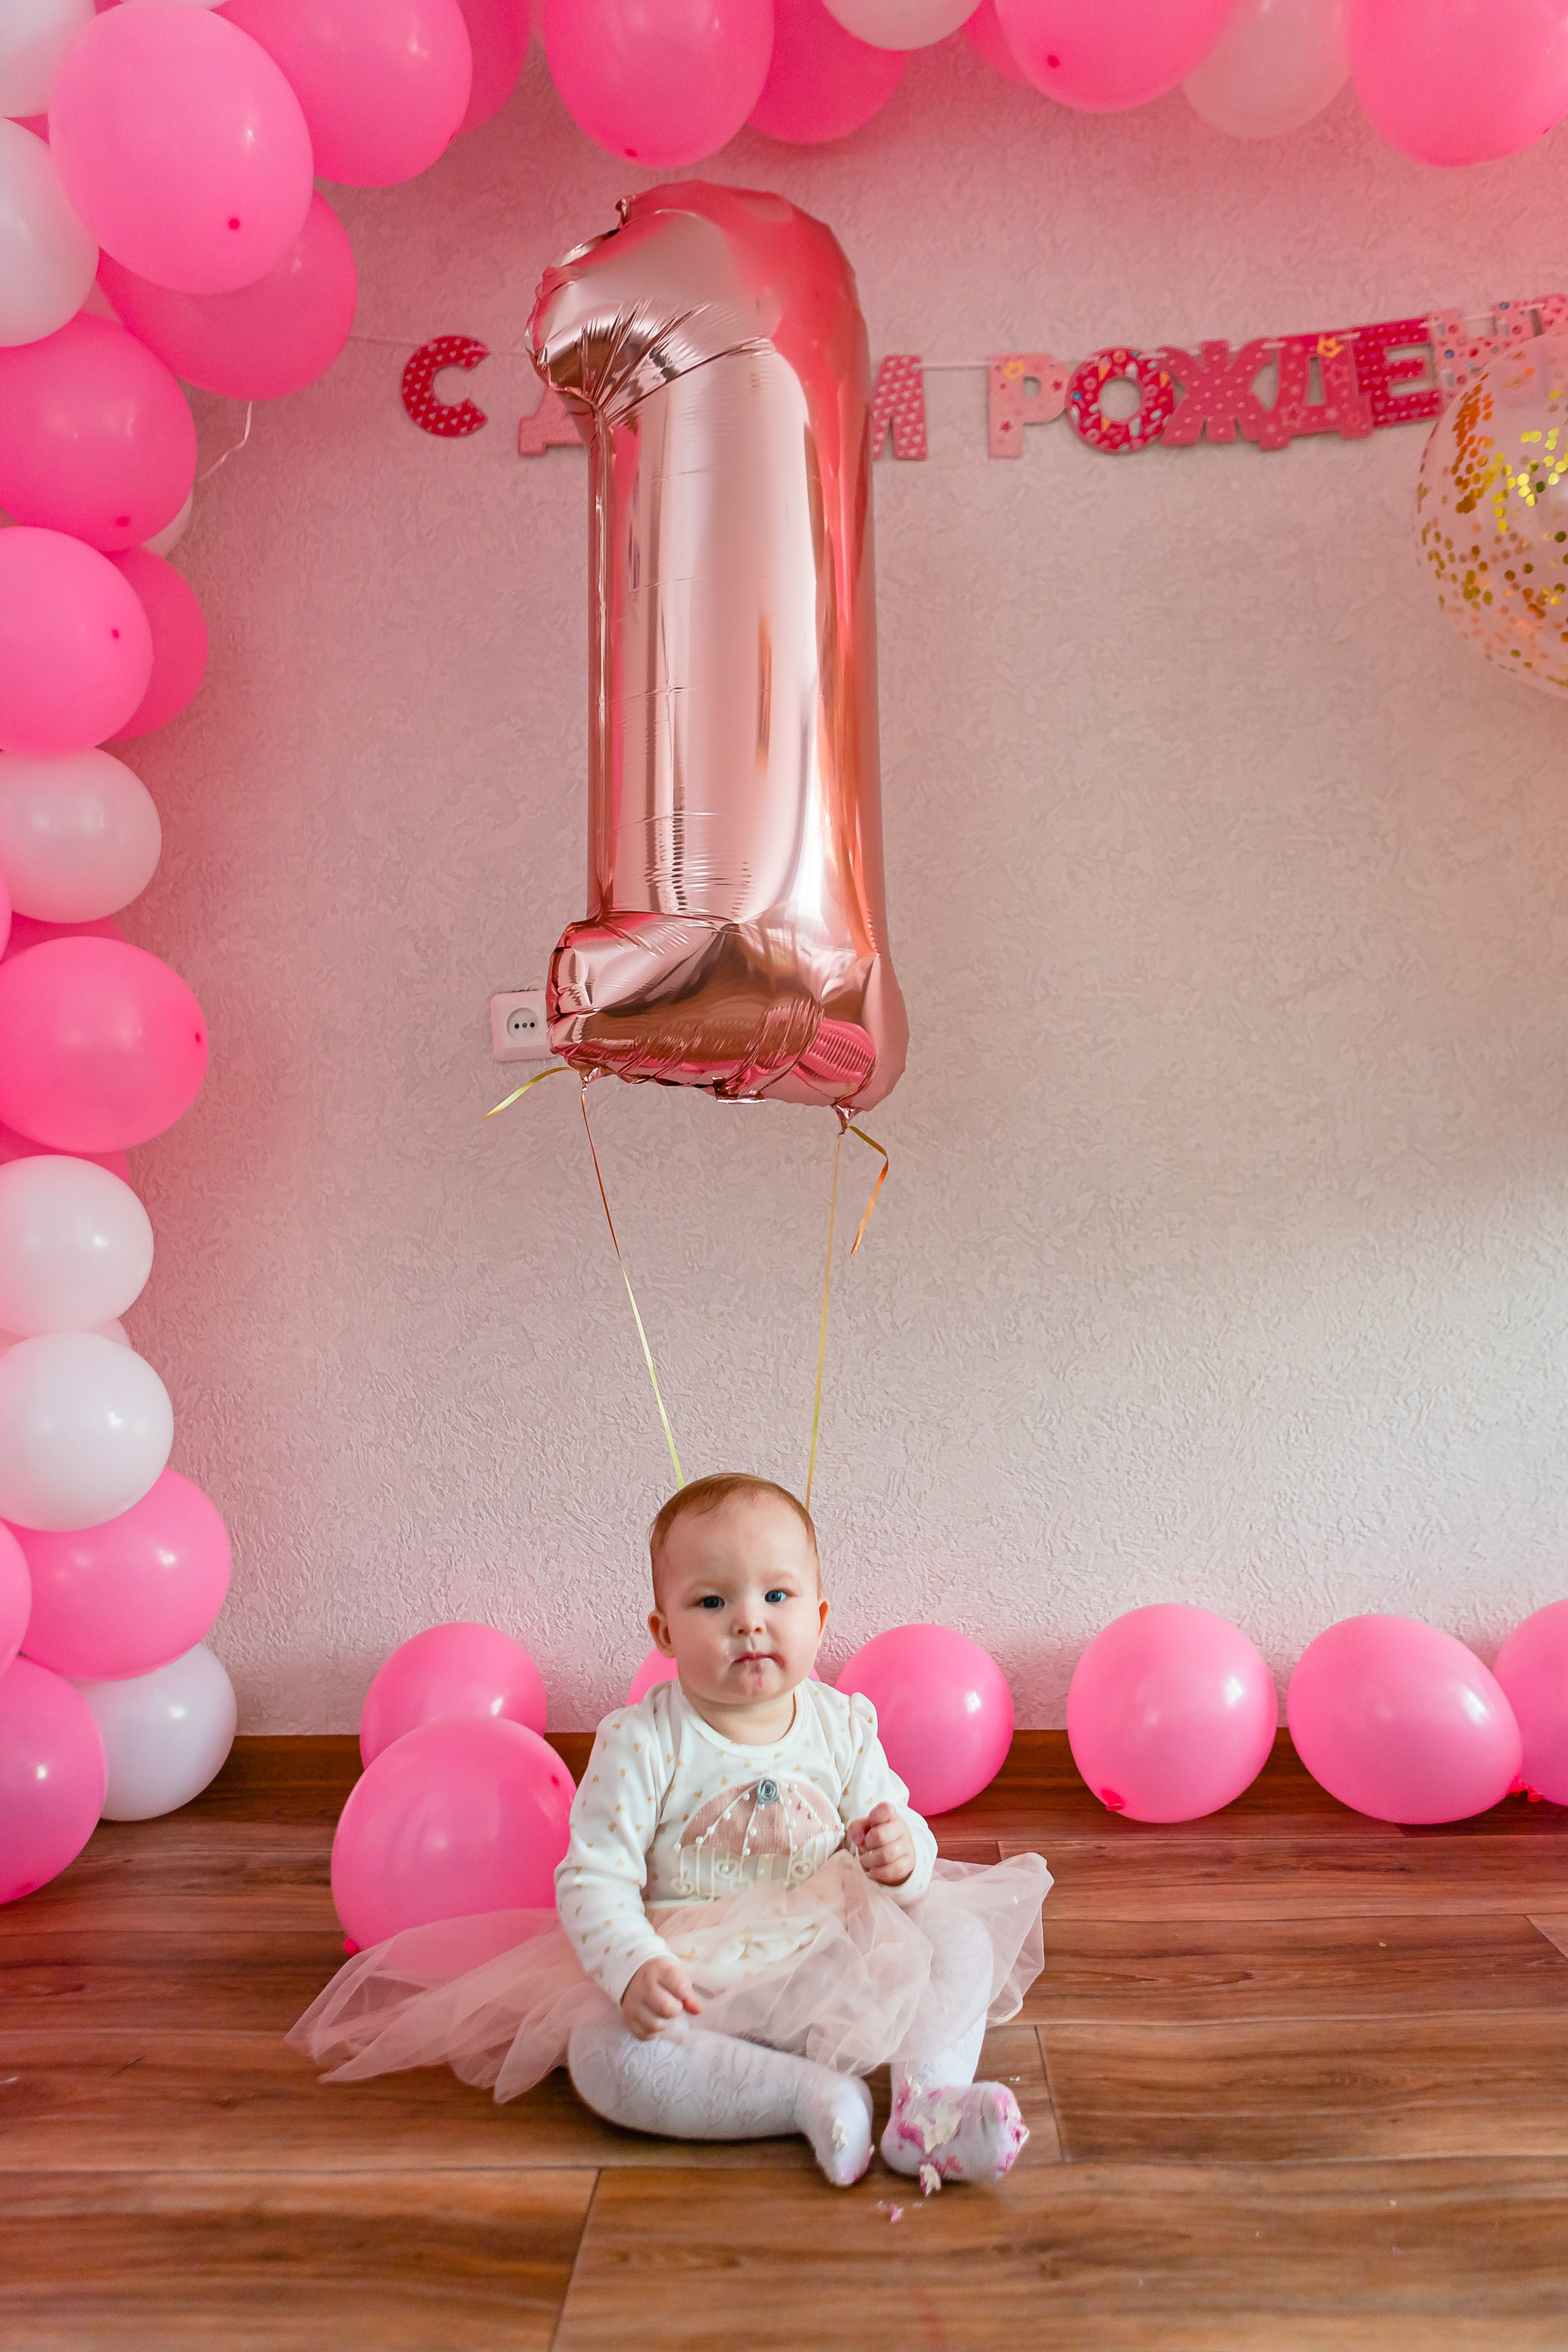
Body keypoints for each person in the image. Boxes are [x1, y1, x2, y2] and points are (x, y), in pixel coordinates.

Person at [290, 1473, 1052, 2190]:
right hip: (698, 1970)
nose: (749, 1620)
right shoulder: (642, 1743)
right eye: (712, 1602)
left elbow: (894, 1819)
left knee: (959, 1936)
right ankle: (802, 2098)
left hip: (837, 1950)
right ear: (662, 1630)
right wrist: (634, 1969)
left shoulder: (842, 1724)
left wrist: (903, 1855)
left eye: (776, 1595)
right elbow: (593, 1878)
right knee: (604, 2055)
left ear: (818, 1619)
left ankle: (929, 2109)